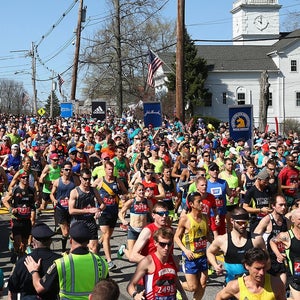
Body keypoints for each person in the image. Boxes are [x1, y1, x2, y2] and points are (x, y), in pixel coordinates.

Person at [24, 221, 109, 300]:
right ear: (88, 241)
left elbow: (39, 288)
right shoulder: (102, 262)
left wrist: (34, 271)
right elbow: (106, 291)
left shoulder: (61, 263)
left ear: (71, 240)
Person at [206, 207, 266, 284]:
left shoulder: (257, 239)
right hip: (231, 286)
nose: (243, 226)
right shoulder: (222, 240)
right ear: (232, 221)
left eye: (245, 223)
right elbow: (210, 252)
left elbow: (266, 260)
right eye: (240, 223)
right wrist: (215, 265)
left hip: (252, 286)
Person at [127, 227, 188, 300]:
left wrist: (182, 293)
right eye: (162, 244)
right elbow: (130, 286)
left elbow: (175, 278)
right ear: (155, 243)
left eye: (169, 244)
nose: (166, 248)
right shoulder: (148, 261)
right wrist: (135, 295)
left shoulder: (175, 259)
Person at [8, 222, 61, 299]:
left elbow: (12, 289)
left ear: (33, 241)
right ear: (50, 241)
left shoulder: (23, 261)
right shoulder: (60, 261)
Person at [92, 161, 128, 269]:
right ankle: (109, 261)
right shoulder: (100, 181)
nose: (111, 171)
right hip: (104, 212)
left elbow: (125, 192)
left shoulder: (118, 181)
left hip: (113, 211)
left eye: (112, 169)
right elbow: (90, 190)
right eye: (108, 169)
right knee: (107, 235)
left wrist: (123, 196)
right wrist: (95, 203)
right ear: (105, 169)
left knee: (108, 235)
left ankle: (99, 243)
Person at [174, 192, 209, 300]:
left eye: (201, 201)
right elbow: (176, 237)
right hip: (190, 258)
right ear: (191, 204)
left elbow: (207, 235)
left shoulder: (205, 217)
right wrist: (186, 250)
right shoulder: (185, 219)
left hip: (202, 256)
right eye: (199, 201)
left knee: (203, 284)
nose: (202, 203)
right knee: (193, 287)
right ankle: (176, 286)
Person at [215, 247, 286, 300]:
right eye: (257, 269)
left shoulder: (276, 284)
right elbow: (219, 297)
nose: (261, 272)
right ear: (247, 266)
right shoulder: (236, 286)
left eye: (264, 268)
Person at [254, 194, 290, 285]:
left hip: (281, 258)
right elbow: (255, 238)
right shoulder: (267, 220)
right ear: (273, 206)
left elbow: (290, 237)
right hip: (268, 259)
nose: (283, 207)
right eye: (281, 205)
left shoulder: (286, 221)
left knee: (282, 286)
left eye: (285, 205)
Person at [2, 170, 37, 262]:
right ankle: (16, 252)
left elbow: (34, 203)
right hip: (17, 220)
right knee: (18, 242)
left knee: (24, 244)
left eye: (27, 177)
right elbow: (4, 201)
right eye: (23, 177)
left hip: (26, 220)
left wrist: (33, 211)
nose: (25, 179)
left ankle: (19, 258)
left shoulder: (32, 190)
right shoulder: (15, 189)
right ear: (19, 178)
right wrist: (11, 209)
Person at [69, 168, 105, 254]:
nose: (87, 181)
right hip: (78, 222)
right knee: (76, 249)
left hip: (90, 222)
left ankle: (92, 266)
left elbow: (103, 204)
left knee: (94, 248)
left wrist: (98, 210)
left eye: (89, 179)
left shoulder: (93, 190)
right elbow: (71, 211)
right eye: (85, 179)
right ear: (80, 178)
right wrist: (88, 211)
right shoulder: (75, 192)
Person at [270, 208, 300, 299]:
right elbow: (272, 241)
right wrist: (278, 254)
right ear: (293, 220)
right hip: (295, 278)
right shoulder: (286, 236)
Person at [50, 161, 80, 253]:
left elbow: (80, 190)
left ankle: (73, 249)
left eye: (70, 170)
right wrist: (54, 201)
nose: (68, 171)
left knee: (73, 231)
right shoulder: (57, 181)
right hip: (61, 209)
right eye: (66, 169)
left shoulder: (74, 180)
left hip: (72, 208)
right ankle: (63, 250)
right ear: (62, 170)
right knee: (66, 232)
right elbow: (52, 194)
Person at [117, 182, 152, 259]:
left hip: (143, 231)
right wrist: (123, 220)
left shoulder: (148, 202)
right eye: (139, 190)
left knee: (142, 254)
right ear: (135, 191)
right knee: (131, 257)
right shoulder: (131, 202)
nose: (142, 192)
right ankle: (124, 249)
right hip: (133, 230)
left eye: (143, 190)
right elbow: (120, 213)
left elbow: (152, 214)